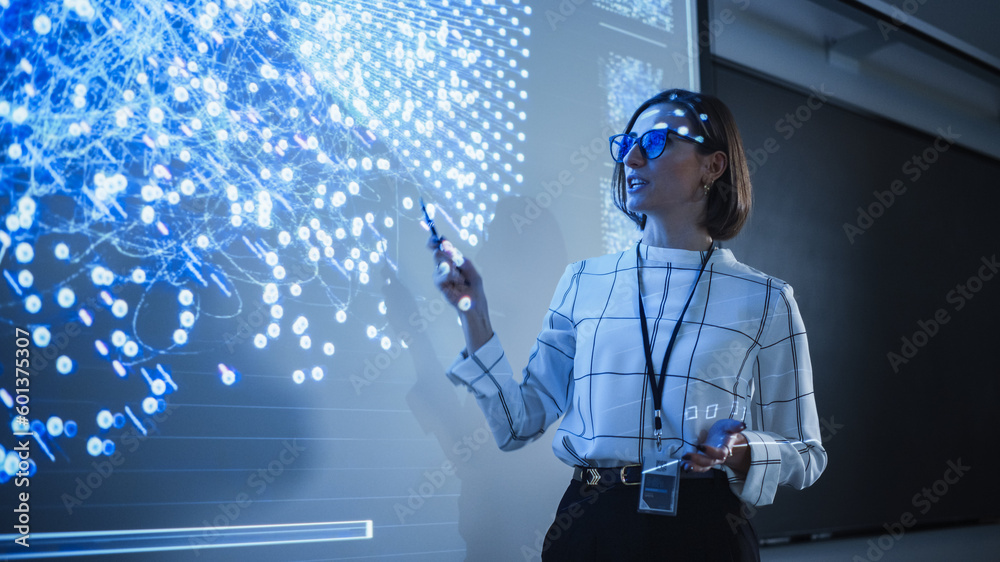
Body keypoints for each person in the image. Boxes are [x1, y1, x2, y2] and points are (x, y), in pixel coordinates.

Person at [429, 89, 827, 560]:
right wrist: (474, 314)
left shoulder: (765, 298)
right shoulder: (583, 280)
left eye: (656, 142)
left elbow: (805, 452)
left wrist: (738, 449)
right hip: (592, 523)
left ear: (712, 166)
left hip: (705, 526)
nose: (632, 158)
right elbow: (518, 424)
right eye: (626, 145)